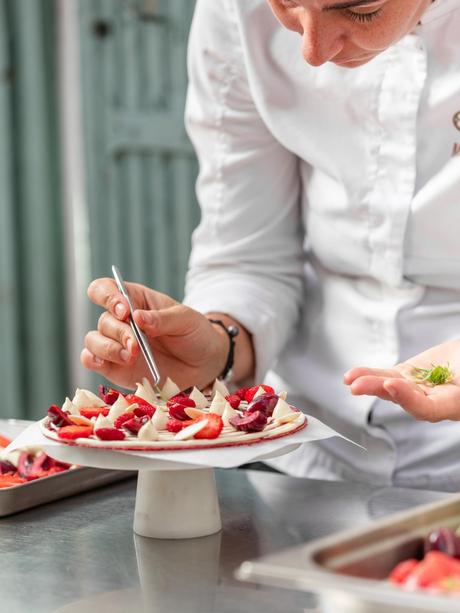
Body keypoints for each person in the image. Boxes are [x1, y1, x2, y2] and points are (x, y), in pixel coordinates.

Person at [81, 0, 460, 490]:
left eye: (360, 11)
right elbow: (248, 252)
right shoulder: (234, 10)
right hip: (309, 455)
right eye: (286, 5)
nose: (313, 52)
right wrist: (219, 344)